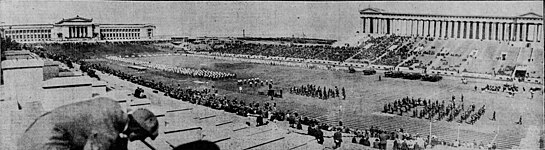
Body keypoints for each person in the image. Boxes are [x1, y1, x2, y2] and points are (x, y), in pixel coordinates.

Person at [18, 97, 159, 150]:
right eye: (143, 137)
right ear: (137, 131)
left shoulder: (113, 108)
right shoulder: (109, 128)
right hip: (43, 143)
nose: (139, 140)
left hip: (34, 133)